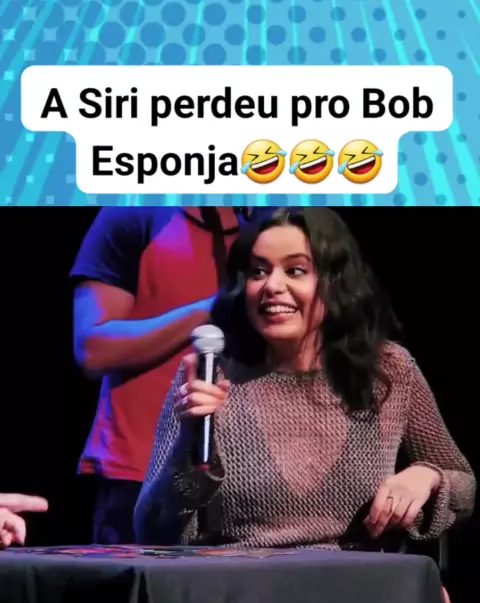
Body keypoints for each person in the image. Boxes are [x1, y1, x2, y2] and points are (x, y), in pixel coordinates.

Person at [134, 206, 476, 559]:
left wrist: (427, 476)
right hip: (239, 584)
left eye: (295, 270)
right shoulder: (211, 375)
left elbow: (464, 488)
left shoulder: (388, 369)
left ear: (334, 281)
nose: (272, 286)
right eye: (258, 271)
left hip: (357, 585)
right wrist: (190, 444)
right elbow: (151, 530)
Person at [72, 205, 247, 544]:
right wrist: (210, 309)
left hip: (245, 476)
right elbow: (93, 349)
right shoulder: (133, 213)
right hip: (140, 475)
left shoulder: (272, 221)